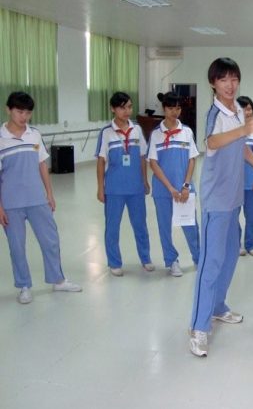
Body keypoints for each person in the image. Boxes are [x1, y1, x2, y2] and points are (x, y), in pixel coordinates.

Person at [188, 57, 253, 357]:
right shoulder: (215, 112)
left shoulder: (235, 111)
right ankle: (198, 327)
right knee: (210, 263)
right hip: (216, 200)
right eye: (223, 79)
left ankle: (218, 306)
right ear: (213, 83)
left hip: (235, 197)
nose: (230, 84)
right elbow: (213, 141)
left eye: (234, 78)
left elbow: (240, 146)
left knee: (231, 256)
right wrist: (244, 127)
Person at [0, 91, 82, 304]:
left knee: (50, 240)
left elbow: (42, 165)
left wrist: (49, 194)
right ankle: (24, 285)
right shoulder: (0, 138)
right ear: (8, 110)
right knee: (16, 246)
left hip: (37, 199)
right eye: (19, 111)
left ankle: (58, 279)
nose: (23, 116)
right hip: (11, 203)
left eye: (27, 112)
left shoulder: (34, 134)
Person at [95, 91, 154, 277]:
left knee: (140, 225)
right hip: (114, 188)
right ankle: (114, 262)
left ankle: (145, 258)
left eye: (129, 106)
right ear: (113, 109)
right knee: (113, 226)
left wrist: (145, 180)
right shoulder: (106, 133)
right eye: (122, 107)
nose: (127, 111)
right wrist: (100, 188)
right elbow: (101, 161)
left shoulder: (136, 130)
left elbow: (143, 157)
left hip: (135, 187)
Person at [148, 92, 200, 276]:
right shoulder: (156, 134)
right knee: (164, 227)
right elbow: (153, 163)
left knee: (190, 225)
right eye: (170, 108)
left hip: (185, 189)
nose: (174, 112)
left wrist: (185, 186)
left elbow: (192, 159)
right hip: (164, 190)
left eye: (178, 108)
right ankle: (171, 261)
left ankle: (198, 258)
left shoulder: (187, 131)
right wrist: (170, 188)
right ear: (164, 108)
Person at [236, 95, 253, 256]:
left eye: (249, 108)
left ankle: (252, 244)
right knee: (233, 217)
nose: (247, 111)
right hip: (235, 182)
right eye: (243, 108)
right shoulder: (232, 132)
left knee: (252, 216)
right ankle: (236, 244)